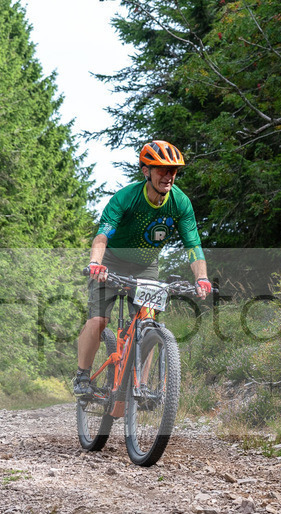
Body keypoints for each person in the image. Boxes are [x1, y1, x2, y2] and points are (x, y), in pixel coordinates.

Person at [73, 140, 211, 396]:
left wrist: (202, 277)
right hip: (111, 261)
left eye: (173, 171)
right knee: (99, 319)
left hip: (146, 266)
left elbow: (193, 244)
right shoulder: (126, 198)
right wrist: (95, 263)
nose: (168, 176)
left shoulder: (180, 203)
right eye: (161, 169)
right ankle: (82, 375)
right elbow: (102, 235)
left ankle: (142, 386)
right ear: (146, 171)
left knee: (148, 322)